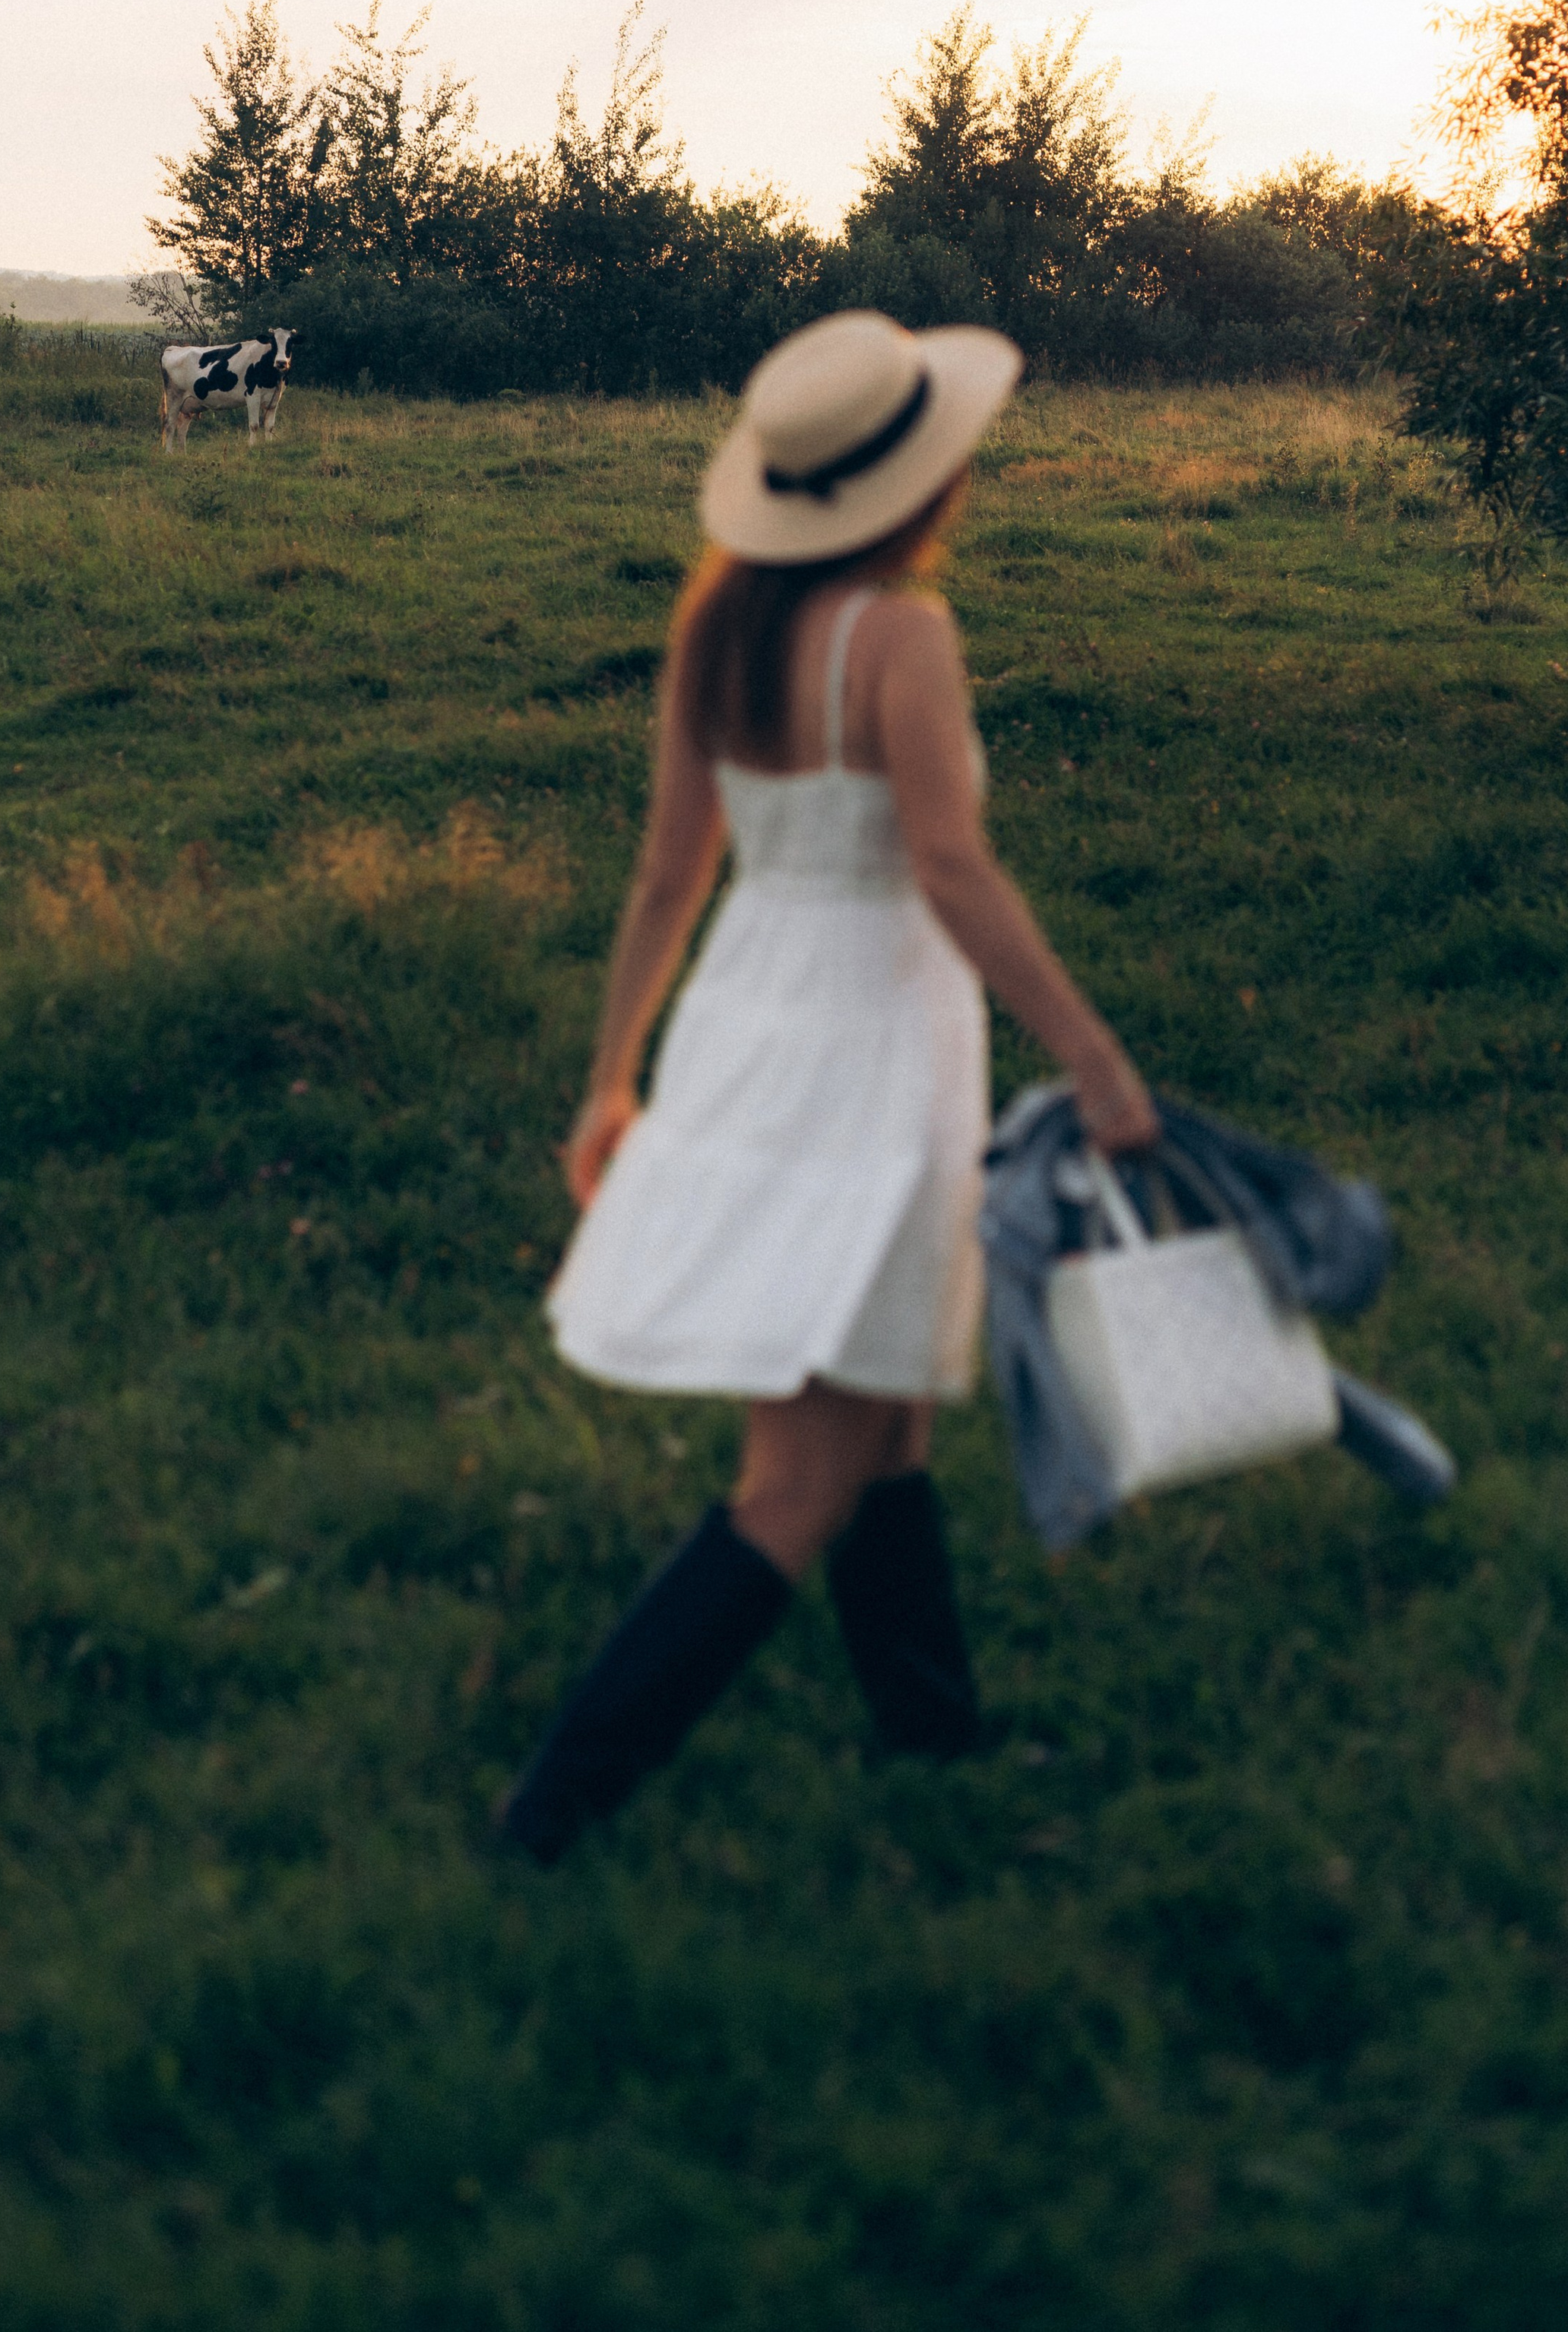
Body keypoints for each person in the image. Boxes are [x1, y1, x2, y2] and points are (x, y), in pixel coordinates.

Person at [496, 310, 1158, 1864]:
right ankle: (552, 1812)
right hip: (872, 1036)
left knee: (887, 1406)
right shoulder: (900, 636)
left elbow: (669, 874)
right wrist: (1091, 1054)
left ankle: (932, 1740)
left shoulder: (716, 627)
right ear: (921, 485)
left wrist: (613, 1078)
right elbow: (948, 867)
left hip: (746, 1018)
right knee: (797, 1478)